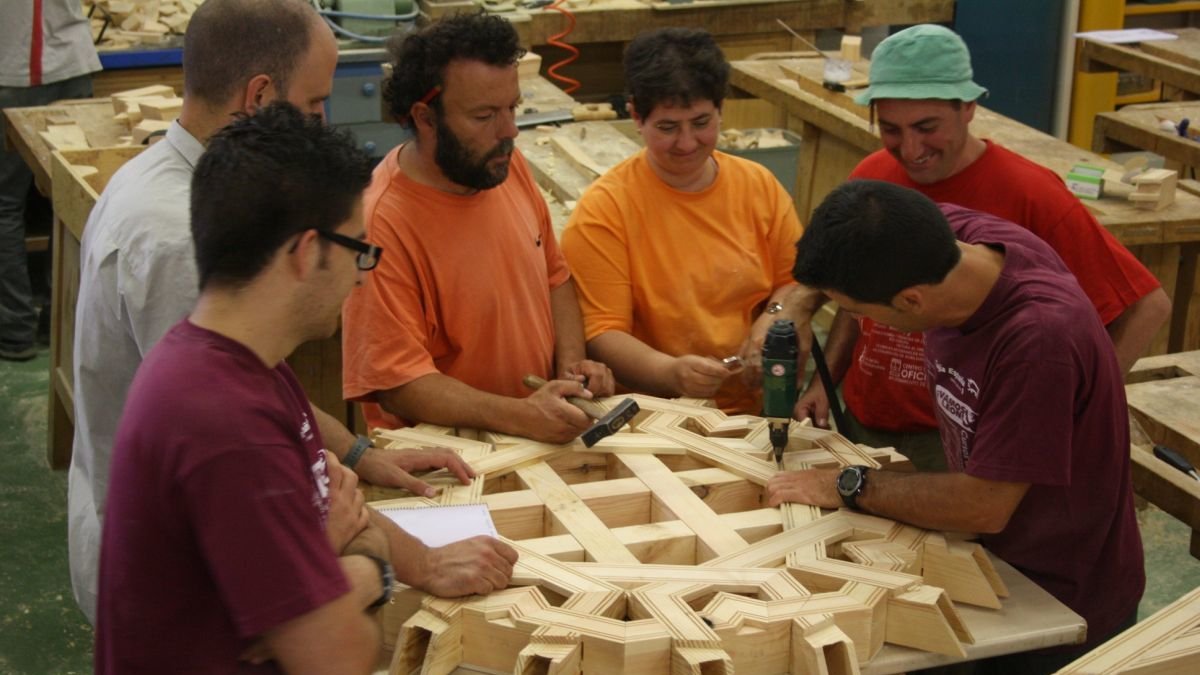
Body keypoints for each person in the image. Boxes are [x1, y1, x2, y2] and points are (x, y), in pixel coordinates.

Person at [68, 0, 480, 626]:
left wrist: (360, 454)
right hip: (180, 589)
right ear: (260, 96)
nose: (321, 123)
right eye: (315, 105)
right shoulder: (178, 235)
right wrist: (410, 563)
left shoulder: (167, 177)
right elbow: (234, 423)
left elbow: (262, 385)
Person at [97, 103, 517, 674]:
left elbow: (335, 507)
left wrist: (417, 561)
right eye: (358, 251)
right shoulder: (225, 423)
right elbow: (339, 658)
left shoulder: (242, 366)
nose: (360, 273)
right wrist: (366, 565)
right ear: (306, 252)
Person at [771, 180, 1144, 673]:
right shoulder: (955, 238)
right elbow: (862, 234)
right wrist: (796, 305)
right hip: (987, 564)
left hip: (1056, 595)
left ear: (911, 301)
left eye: (858, 312)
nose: (853, 318)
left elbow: (983, 505)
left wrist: (847, 483)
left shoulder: (1037, 342)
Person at [794, 24, 1170, 469]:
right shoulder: (872, 178)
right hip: (865, 421)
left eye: (927, 127)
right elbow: (856, 300)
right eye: (891, 129)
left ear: (968, 107)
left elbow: (1147, 306)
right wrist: (825, 380)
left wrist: (1077, 410)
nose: (910, 149)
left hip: (964, 441)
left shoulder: (1030, 193)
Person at [341, 13, 614, 444]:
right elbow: (397, 384)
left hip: (534, 433)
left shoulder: (501, 163)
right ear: (425, 118)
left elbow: (555, 277)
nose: (509, 131)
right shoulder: (381, 225)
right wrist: (520, 414)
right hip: (449, 459)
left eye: (512, 108)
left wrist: (571, 369)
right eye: (485, 115)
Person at [560, 28, 805, 415]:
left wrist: (771, 323)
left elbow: (794, 281)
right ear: (636, 116)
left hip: (753, 410)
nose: (687, 143)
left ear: (721, 109)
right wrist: (670, 373)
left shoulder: (759, 187)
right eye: (668, 127)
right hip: (655, 416)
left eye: (701, 122)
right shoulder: (603, 212)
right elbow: (603, 333)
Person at [0, 0, 100, 361]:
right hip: (71, 63)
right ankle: (63, 325)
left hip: (11, 69)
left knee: (5, 206)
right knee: (69, 198)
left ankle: (15, 330)